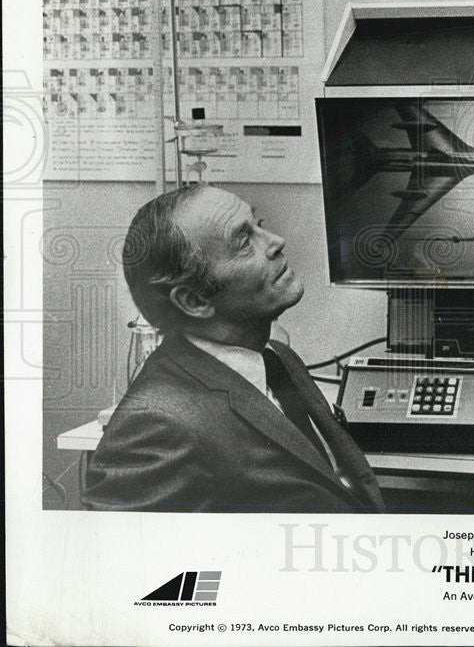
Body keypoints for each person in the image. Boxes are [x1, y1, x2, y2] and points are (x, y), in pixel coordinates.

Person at [84, 185, 385, 513]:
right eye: (243, 240)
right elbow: (119, 554)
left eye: (258, 223)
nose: (275, 242)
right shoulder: (156, 424)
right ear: (194, 301)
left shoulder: (276, 356)